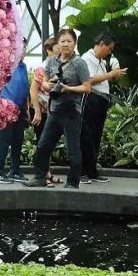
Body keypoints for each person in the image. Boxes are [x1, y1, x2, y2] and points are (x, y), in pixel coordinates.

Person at [23, 28, 91, 189]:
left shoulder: (80, 63)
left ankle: (73, 182)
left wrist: (69, 89)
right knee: (43, 145)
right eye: (62, 41)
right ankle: (39, 176)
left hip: (71, 112)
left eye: (69, 41)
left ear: (75, 43)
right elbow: (45, 83)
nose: (66, 44)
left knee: (72, 148)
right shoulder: (52, 62)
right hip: (54, 111)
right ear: (58, 44)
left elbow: (87, 88)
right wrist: (48, 85)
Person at [79, 33, 127, 183]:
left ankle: (92, 171)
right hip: (91, 98)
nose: (110, 52)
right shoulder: (87, 58)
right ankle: (82, 172)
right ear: (101, 44)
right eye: (109, 48)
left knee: (96, 136)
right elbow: (89, 80)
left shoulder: (100, 61)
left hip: (101, 100)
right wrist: (110, 75)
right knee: (86, 135)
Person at [0, 41, 30, 184]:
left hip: (20, 110)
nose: (23, 49)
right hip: (5, 109)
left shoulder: (23, 66)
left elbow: (25, 88)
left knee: (18, 141)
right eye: (21, 46)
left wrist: (27, 108)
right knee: (4, 142)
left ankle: (15, 170)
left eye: (25, 47)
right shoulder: (6, 65)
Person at [30, 37, 61, 186]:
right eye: (57, 49)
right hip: (42, 112)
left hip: (53, 112)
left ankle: (47, 173)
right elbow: (33, 91)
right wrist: (36, 111)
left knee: (49, 143)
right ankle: (41, 175)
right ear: (49, 50)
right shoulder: (41, 69)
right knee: (42, 143)